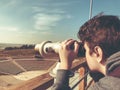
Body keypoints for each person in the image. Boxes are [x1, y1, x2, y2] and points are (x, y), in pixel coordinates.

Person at [51, 14, 120, 90]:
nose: (86, 56)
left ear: (97, 52)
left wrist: (64, 65)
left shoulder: (109, 85)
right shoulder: (113, 78)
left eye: (86, 50)